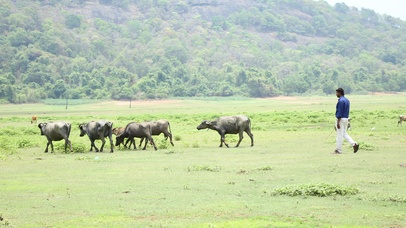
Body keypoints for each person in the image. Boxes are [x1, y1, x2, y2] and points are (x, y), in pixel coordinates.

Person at [333, 88, 359, 154]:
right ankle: (354, 144)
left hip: (341, 119)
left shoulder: (341, 101)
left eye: (337, 93)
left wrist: (338, 122)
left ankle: (338, 150)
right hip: (346, 118)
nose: (336, 94)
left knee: (339, 135)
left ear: (340, 93)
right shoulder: (347, 100)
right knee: (344, 133)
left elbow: (340, 112)